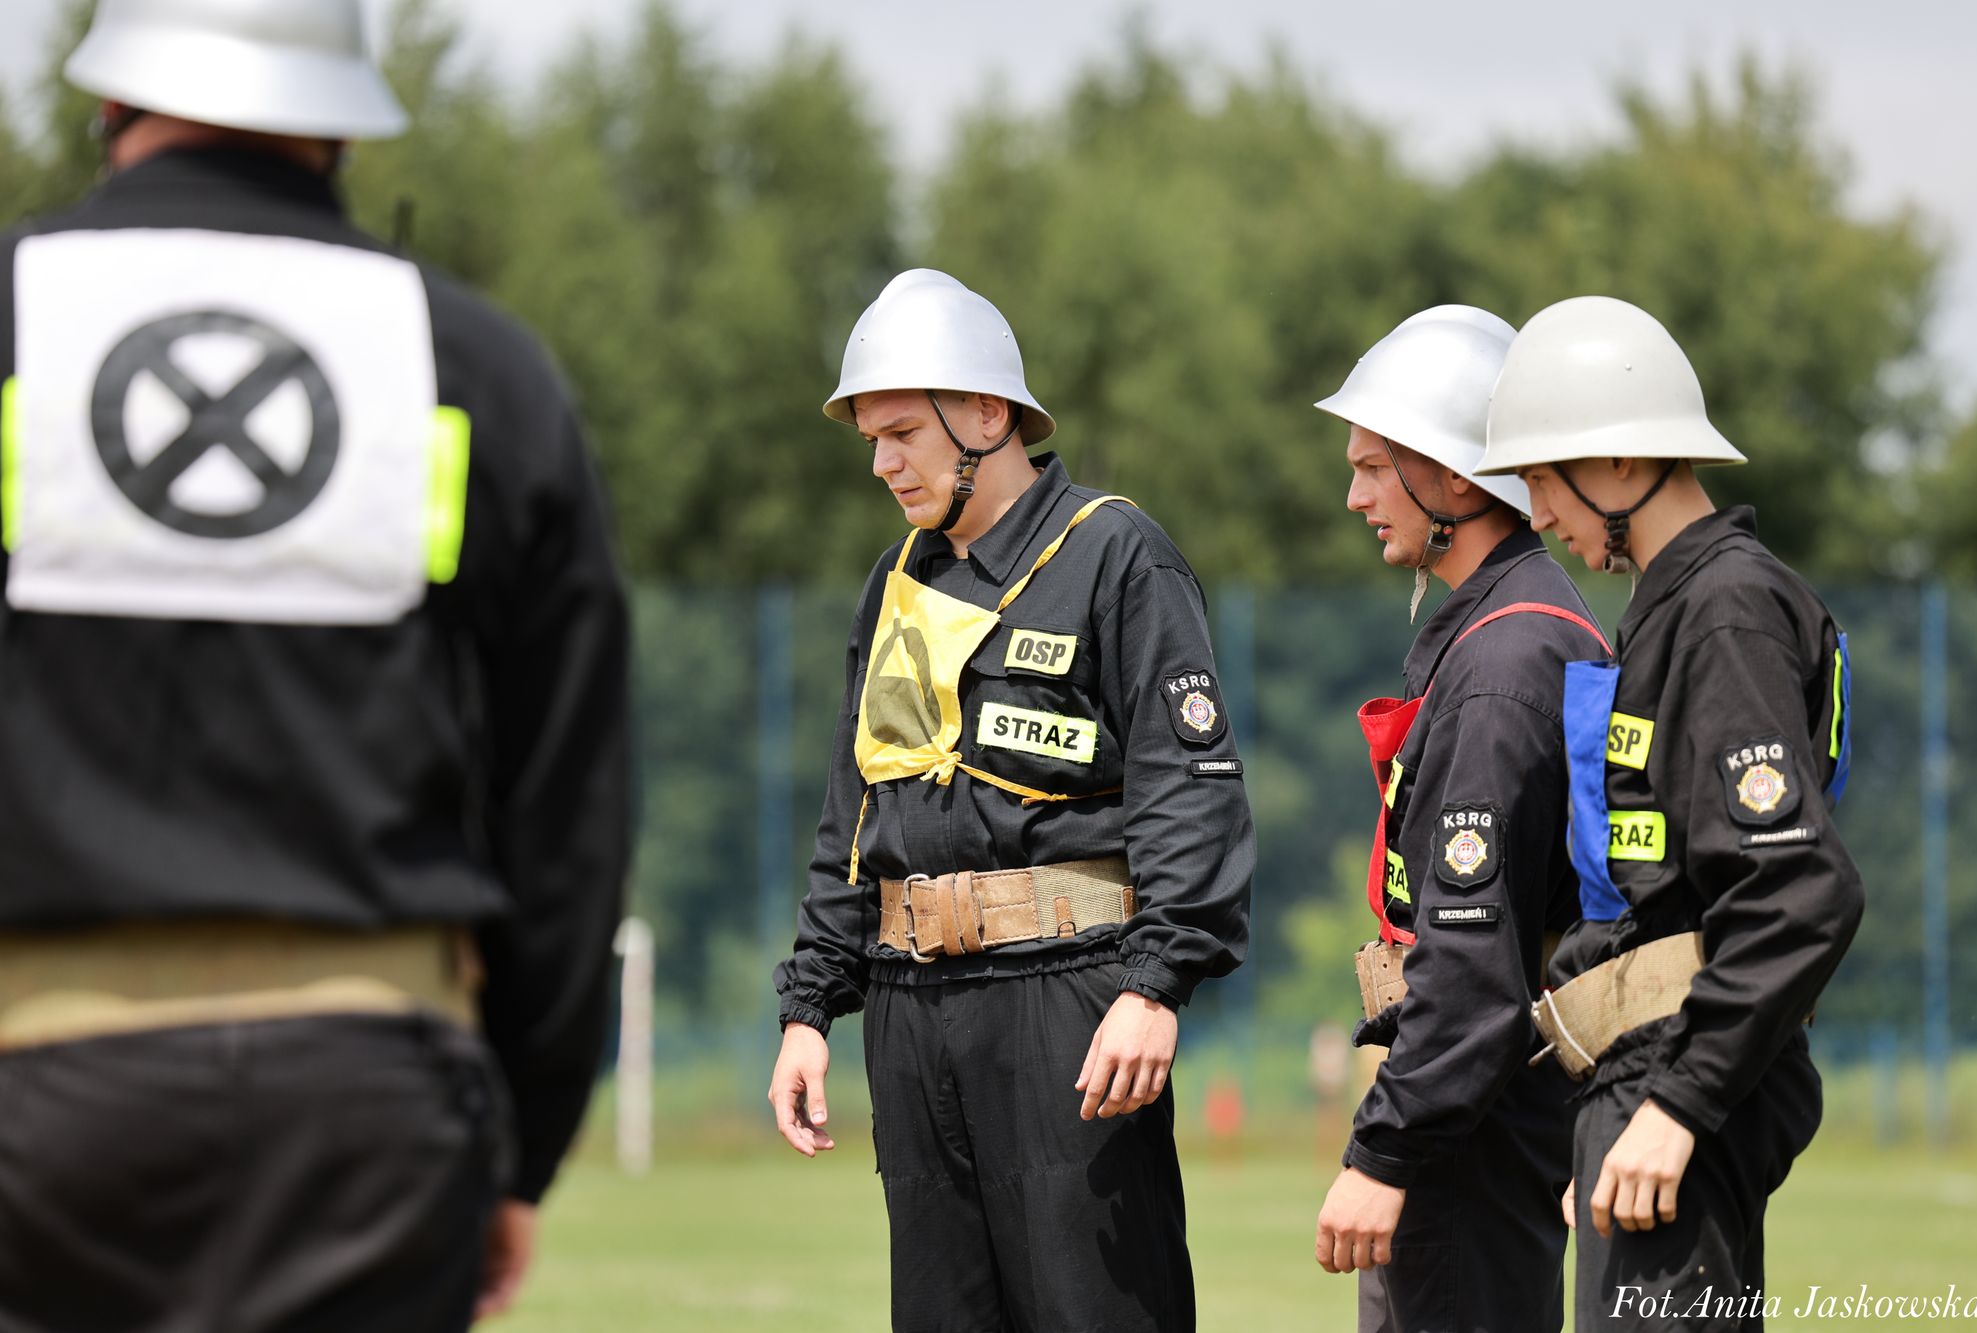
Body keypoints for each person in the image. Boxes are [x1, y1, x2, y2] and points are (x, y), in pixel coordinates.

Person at [0, 3, 631, 1328]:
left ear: (108, 96)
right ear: (341, 119)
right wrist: (522, 1140)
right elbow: (568, 807)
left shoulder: (16, 323)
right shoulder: (480, 369)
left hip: (35, 1108)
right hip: (372, 1112)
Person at [768, 268, 1254, 1332]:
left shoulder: (1114, 552)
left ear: (987, 417)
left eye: (903, 433)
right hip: (908, 1011)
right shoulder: (897, 580)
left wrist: (1155, 984)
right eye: (872, 440)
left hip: (1068, 1002)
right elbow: (855, 811)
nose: (882, 462)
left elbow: (1189, 788)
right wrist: (809, 1006)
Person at [1475, 295, 1864, 1332]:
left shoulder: (1724, 611)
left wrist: (1675, 1105)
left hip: (1680, 1074)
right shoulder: (1675, 608)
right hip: (1645, 1074)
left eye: (1540, 478)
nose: (1535, 514)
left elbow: (1800, 891)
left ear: (1616, 461)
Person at [1309, 306, 1608, 1331]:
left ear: (1453, 477)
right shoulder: (1509, 624)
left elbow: (1475, 966)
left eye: (1373, 466)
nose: (1354, 495)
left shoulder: (1501, 665)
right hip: (1472, 1108)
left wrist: (1383, 1151)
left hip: (1468, 1129)